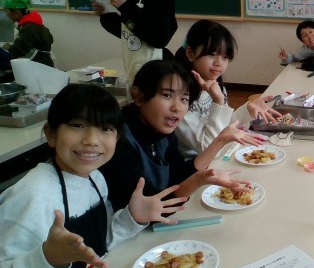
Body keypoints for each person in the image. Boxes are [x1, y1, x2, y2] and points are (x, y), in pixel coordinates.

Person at [0, 84, 186, 268]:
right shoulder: (31, 197)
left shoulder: (95, 178)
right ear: (51, 134)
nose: (91, 140)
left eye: (105, 129)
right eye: (77, 126)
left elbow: (98, 246)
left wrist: (132, 218)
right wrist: (47, 260)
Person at [99, 59, 249, 212]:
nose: (177, 107)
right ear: (138, 96)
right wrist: (198, 180)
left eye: (184, 99)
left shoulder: (160, 130)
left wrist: (220, 141)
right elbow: (143, 211)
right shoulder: (118, 141)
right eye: (166, 95)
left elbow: (178, 175)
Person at [174, 19, 280, 158]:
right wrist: (218, 101)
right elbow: (209, 148)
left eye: (225, 57)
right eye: (211, 54)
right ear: (190, 53)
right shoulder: (180, 97)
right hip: (193, 165)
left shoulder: (216, 87)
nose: (219, 63)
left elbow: (225, 126)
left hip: (216, 158)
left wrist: (247, 109)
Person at [0, 0, 55, 69]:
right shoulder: (34, 23)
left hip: (38, 66)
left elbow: (15, 51)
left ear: (16, 12)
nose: (7, 15)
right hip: (43, 62)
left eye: (8, 12)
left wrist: (8, 47)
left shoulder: (29, 28)